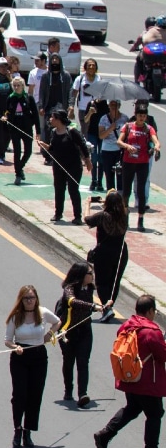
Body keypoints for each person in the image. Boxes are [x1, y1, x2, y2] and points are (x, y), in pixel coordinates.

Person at [94, 294, 166, 448]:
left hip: (130, 377)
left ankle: (105, 435)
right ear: (149, 311)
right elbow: (162, 356)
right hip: (148, 381)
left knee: (132, 408)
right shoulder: (151, 331)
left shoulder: (127, 326)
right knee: (155, 413)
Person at [3, 284, 61, 448]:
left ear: (36, 299)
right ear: (21, 300)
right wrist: (16, 347)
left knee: (35, 394)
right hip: (20, 357)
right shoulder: (15, 317)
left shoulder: (42, 313)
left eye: (32, 298)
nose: (29, 301)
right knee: (19, 395)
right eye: (26, 298)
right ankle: (17, 429)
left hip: (38, 357)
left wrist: (49, 334)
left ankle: (28, 431)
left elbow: (57, 322)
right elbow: (7, 340)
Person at [59, 262, 102, 406]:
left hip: (84, 330)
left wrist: (104, 306)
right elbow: (72, 301)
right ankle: (68, 390)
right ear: (81, 275)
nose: (92, 276)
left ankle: (83, 393)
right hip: (68, 331)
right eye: (90, 273)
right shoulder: (69, 288)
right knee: (69, 360)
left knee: (83, 361)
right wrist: (92, 306)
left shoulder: (90, 289)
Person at [38, 108, 90, 224]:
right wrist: (45, 146)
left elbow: (82, 146)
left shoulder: (71, 131)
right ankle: (58, 213)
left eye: (52, 117)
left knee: (73, 190)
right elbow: (53, 148)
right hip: (58, 166)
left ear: (59, 119)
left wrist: (88, 161)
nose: (50, 119)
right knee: (59, 189)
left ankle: (77, 216)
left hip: (73, 166)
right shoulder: (53, 132)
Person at [85, 190, 130, 322]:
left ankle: (106, 308)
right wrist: (107, 201)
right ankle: (110, 306)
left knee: (102, 282)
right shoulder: (125, 214)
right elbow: (119, 206)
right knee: (114, 282)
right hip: (121, 252)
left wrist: (88, 203)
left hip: (104, 253)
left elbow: (87, 219)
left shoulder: (103, 216)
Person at [116, 103, 159, 231]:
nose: (142, 118)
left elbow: (156, 140)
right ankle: (125, 218)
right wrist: (127, 146)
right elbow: (119, 141)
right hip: (128, 162)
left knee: (141, 191)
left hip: (143, 163)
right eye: (140, 116)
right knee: (126, 191)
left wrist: (156, 146)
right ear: (135, 115)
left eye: (144, 116)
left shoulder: (148, 128)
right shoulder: (128, 127)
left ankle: (140, 220)